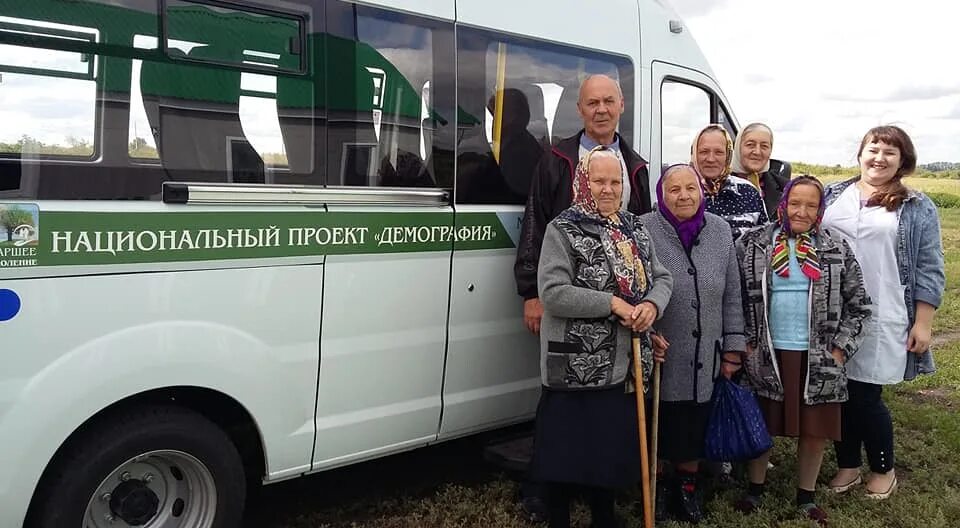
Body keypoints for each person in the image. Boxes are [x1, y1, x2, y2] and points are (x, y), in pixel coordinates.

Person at [513, 73, 652, 521]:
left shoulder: (634, 163)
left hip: (616, 328)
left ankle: (599, 498)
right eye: (592, 102)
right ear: (580, 108)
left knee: (603, 417)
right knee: (561, 407)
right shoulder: (556, 158)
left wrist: (646, 304)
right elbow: (534, 220)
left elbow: (643, 238)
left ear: (621, 105)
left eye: (609, 101)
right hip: (566, 304)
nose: (601, 109)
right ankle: (545, 492)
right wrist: (532, 291)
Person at [533, 146, 673, 528]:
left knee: (607, 450)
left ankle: (603, 516)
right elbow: (553, 292)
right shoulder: (562, 228)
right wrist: (612, 302)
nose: (607, 189)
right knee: (564, 452)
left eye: (615, 181)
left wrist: (651, 307)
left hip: (622, 364)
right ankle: (557, 516)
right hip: (576, 363)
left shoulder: (634, 226)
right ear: (583, 181)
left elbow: (661, 277)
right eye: (599, 181)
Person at [734, 176, 872, 526]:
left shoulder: (835, 248)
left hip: (819, 358)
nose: (802, 211)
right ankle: (755, 487)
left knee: (814, 431)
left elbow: (859, 306)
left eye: (811, 205)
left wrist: (840, 350)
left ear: (820, 209)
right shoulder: (754, 244)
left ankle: (805, 496)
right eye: (796, 203)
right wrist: (746, 343)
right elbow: (733, 298)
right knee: (761, 424)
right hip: (766, 354)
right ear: (783, 203)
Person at [821, 125, 945, 500]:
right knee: (836, 392)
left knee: (865, 396)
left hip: (882, 313)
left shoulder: (915, 205)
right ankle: (848, 466)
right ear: (860, 153)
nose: (879, 158)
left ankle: (883, 469)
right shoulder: (833, 195)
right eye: (874, 149)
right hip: (830, 312)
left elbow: (929, 266)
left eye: (890, 152)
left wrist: (923, 321)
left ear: (902, 161)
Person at [640, 164, 746, 524]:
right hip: (660, 351)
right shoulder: (643, 228)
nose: (683, 195)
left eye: (691, 188)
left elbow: (732, 294)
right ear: (661, 195)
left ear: (701, 192)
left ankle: (685, 488)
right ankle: (653, 488)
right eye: (674, 190)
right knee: (659, 421)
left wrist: (733, 348)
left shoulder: (719, 230)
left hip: (707, 352)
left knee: (693, 424)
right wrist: (645, 333)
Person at [690, 124, 766, 240]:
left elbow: (765, 241)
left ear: (728, 155)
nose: (711, 159)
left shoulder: (748, 192)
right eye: (704, 151)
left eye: (719, 152)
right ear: (694, 154)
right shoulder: (681, 191)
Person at [730, 122, 793, 218]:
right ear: (738, 147)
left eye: (764, 146)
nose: (757, 152)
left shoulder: (787, 189)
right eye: (750, 145)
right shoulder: (717, 186)